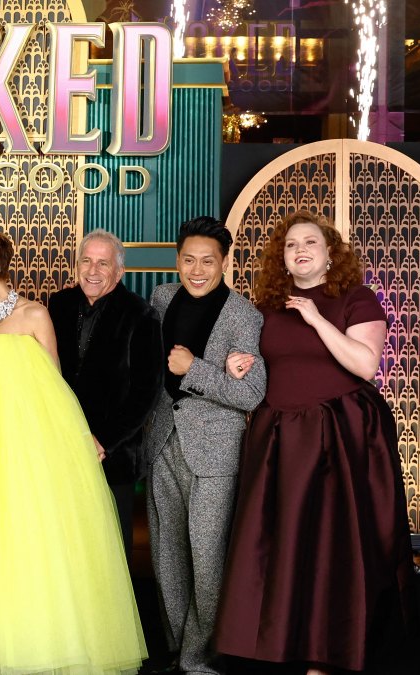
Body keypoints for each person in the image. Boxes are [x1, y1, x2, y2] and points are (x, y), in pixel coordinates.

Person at [0, 228, 146, 674]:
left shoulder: (35, 315)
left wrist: (69, 450)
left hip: (27, 453)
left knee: (30, 541)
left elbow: (54, 392)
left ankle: (35, 645)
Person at [214, 210, 412, 674]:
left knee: (331, 546)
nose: (299, 250)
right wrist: (238, 363)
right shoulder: (268, 306)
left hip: (338, 434)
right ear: (281, 258)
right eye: (290, 245)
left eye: (310, 243)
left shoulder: (356, 298)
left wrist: (317, 318)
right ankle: (280, 645)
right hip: (280, 438)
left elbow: (364, 365)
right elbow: (270, 365)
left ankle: (328, 655)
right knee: (282, 545)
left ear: (330, 255)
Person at [142, 216, 266, 675]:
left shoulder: (243, 316)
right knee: (167, 555)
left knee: (208, 559)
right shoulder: (161, 298)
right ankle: (181, 650)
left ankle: (201, 658)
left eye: (208, 261)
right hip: (162, 441)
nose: (197, 270)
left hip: (215, 451)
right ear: (177, 260)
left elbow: (251, 393)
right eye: (189, 260)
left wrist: (194, 368)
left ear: (224, 262)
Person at [47, 229, 165, 559]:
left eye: (103, 263)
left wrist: (103, 442)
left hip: (114, 454)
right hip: (61, 446)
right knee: (63, 543)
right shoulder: (58, 305)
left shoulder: (141, 314)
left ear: (119, 270)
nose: (93, 270)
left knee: (110, 548)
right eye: (86, 261)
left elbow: (147, 391)